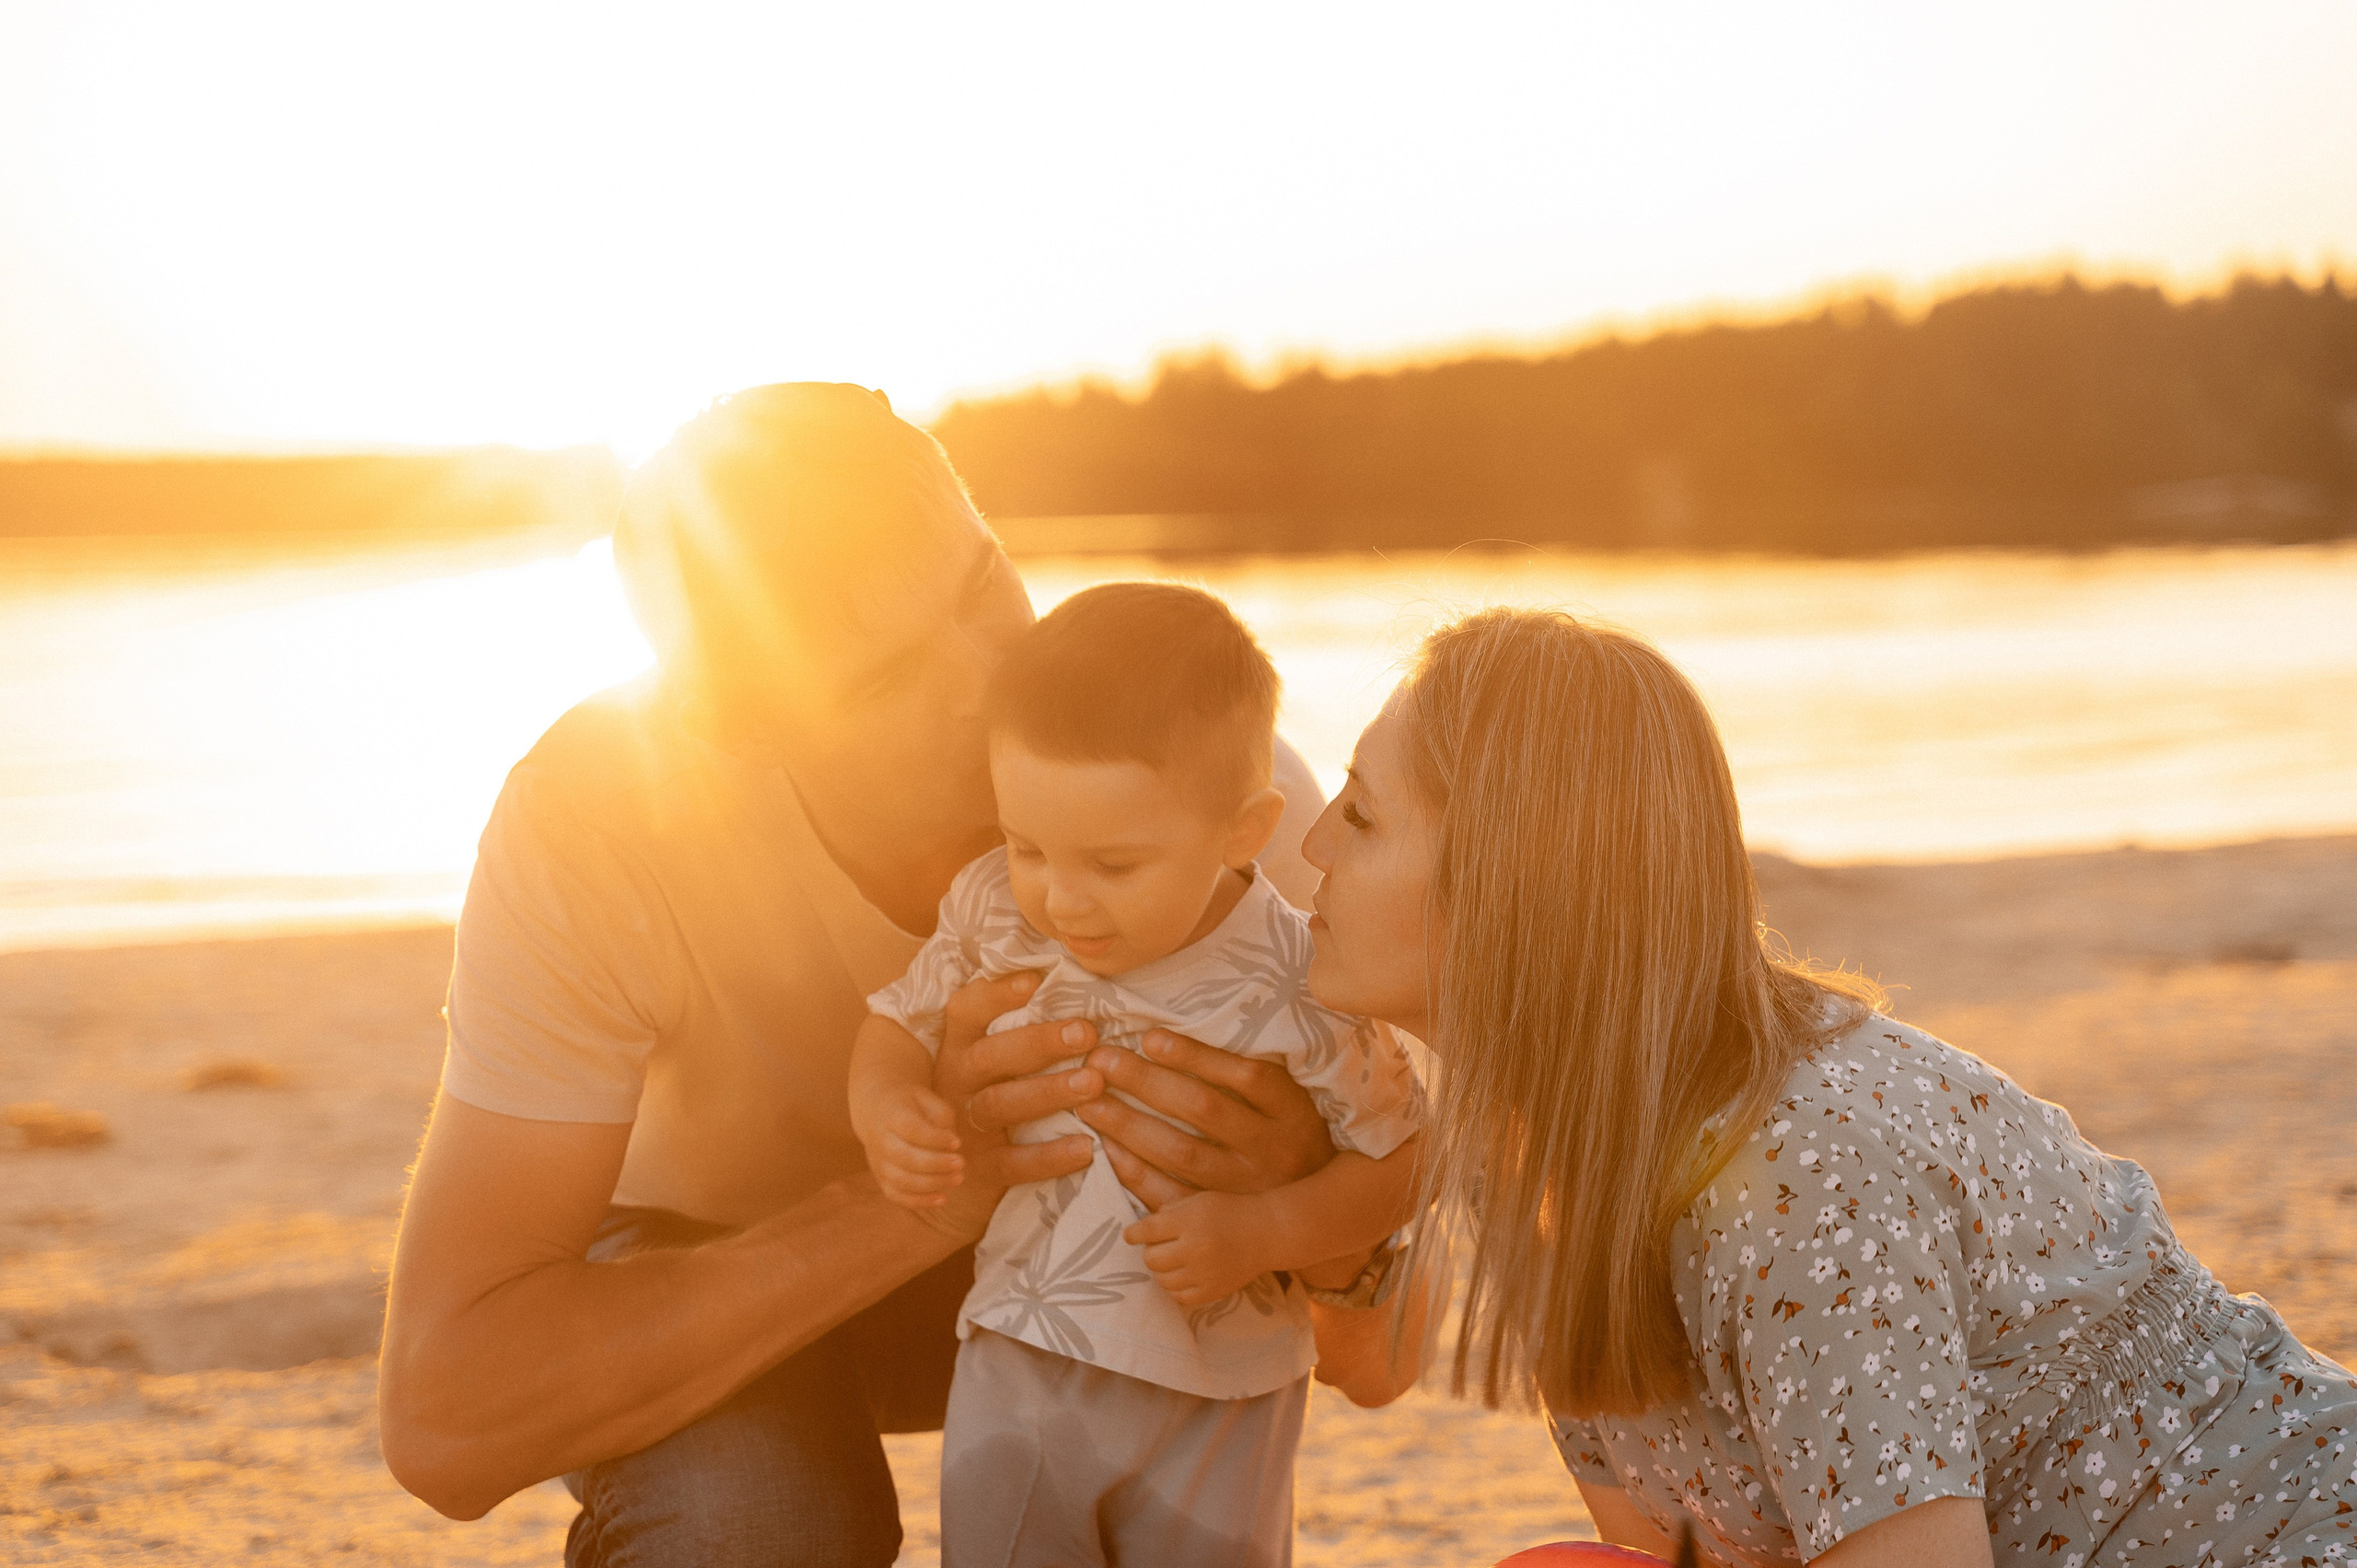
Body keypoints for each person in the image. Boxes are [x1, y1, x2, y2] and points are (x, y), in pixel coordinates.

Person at [375, 384, 1355, 1566]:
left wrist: (1307, 1204)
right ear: (734, 725)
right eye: (889, 676)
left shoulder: (1201, 825)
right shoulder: (599, 819)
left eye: (982, 584)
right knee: (757, 1521)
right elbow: (445, 1421)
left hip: (1091, 1278)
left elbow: (1384, 1360)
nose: (991, 675)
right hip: (703, 1270)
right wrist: (928, 1193)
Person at [1301, 607, 2357, 1567]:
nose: (1309, 848)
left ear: (1507, 883)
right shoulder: (1544, 1142)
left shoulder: (1799, 1171)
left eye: (1358, 816)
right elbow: (1667, 1539)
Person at [849, 582, 1426, 1567]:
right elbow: (895, 1020)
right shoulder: (995, 906)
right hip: (1018, 1353)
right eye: (1027, 843)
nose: (1061, 896)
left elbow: (1404, 1158)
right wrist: (887, 1106)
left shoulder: (1300, 979)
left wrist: (1267, 1228)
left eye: (1114, 864)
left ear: (1243, 831)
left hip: (1222, 1389)